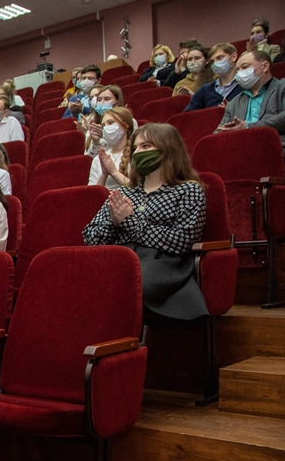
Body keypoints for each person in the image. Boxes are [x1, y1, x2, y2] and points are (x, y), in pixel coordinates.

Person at [83, 123, 208, 320]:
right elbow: (91, 238)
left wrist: (130, 223)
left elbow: (183, 240)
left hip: (163, 263)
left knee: (123, 280)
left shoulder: (188, 190)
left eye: (146, 146)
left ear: (167, 149)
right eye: (135, 148)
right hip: (120, 258)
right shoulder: (124, 192)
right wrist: (114, 223)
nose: (137, 152)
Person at [217, 50, 285, 169]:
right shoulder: (234, 102)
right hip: (241, 151)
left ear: (265, 66)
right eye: (237, 70)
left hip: (279, 148)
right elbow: (219, 131)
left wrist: (247, 127)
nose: (240, 73)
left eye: (245, 67)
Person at [88, 106, 137, 190]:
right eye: (103, 125)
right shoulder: (98, 159)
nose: (106, 128)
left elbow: (140, 189)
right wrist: (104, 174)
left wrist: (114, 172)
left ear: (126, 124)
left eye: (110, 123)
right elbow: (93, 193)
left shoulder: (136, 153)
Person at [186, 43, 243, 110]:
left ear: (233, 57)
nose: (215, 63)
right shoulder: (205, 90)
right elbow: (188, 114)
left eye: (219, 58)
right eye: (212, 61)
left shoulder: (246, 84)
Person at [83, 85, 125, 150]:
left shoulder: (127, 121)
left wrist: (104, 135)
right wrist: (95, 142)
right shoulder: (94, 126)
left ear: (117, 102)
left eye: (107, 99)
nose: (101, 102)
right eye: (99, 100)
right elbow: (88, 155)